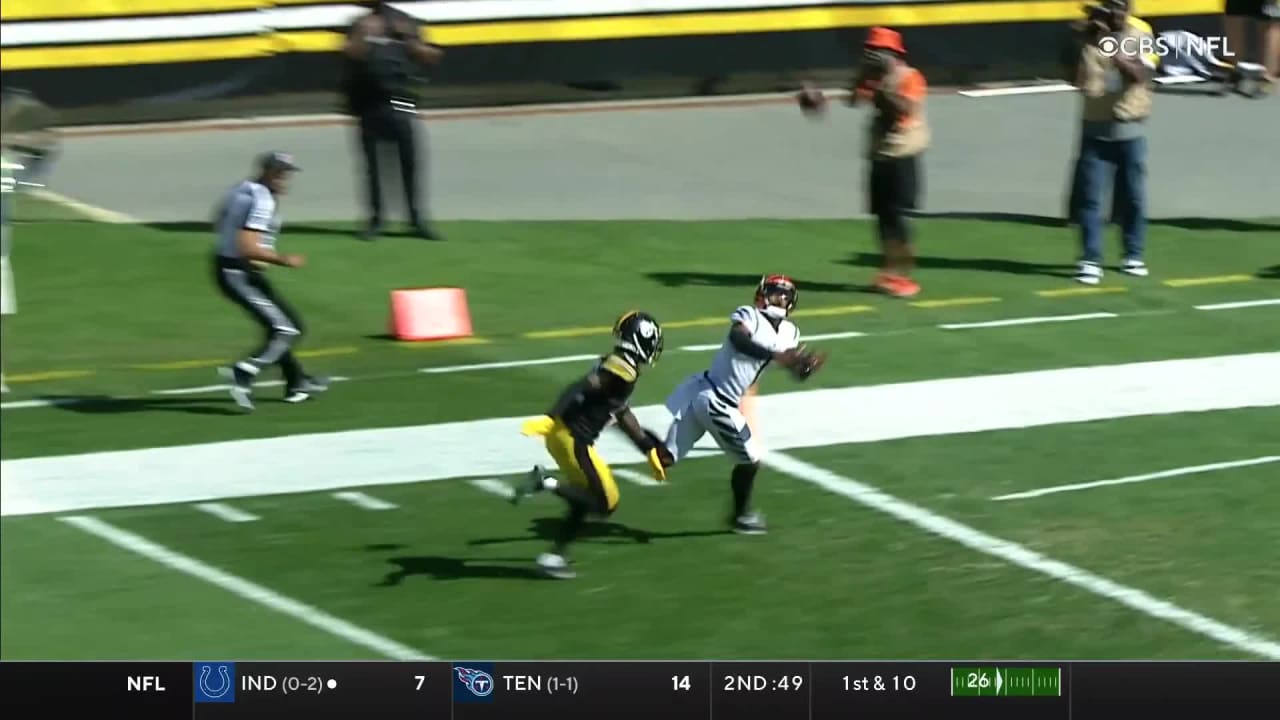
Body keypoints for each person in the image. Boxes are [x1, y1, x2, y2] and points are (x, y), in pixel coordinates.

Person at [512, 311, 672, 579]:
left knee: (583, 499)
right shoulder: (623, 368)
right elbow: (582, 387)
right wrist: (550, 418)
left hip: (566, 437)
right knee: (605, 502)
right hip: (573, 439)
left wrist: (647, 448)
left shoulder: (621, 365)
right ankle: (545, 483)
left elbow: (621, 414)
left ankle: (554, 557)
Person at [660, 276, 824, 536]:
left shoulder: (789, 332)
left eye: (785, 295)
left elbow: (791, 368)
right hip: (715, 398)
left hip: (710, 396)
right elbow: (739, 339)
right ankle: (741, 516)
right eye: (774, 293)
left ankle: (616, 422)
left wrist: (803, 367)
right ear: (761, 295)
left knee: (662, 458)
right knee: (751, 460)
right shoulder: (750, 315)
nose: (780, 298)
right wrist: (774, 355)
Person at [213, 152, 329, 411]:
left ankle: (297, 382)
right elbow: (248, 246)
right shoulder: (262, 200)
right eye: (279, 173)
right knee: (287, 330)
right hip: (238, 272)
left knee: (283, 326)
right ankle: (245, 370)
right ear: (266, 171)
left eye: (287, 173)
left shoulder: (241, 188)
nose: (284, 179)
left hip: (232, 268)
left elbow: (219, 220)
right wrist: (282, 259)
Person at [1068, 0, 1155, 286]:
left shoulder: (1141, 37)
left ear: (1129, 10)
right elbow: (1076, 79)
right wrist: (1081, 40)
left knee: (1133, 198)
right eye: (1111, 6)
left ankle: (1133, 254)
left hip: (1129, 131)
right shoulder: (1091, 38)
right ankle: (1090, 259)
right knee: (1091, 199)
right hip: (1094, 129)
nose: (1116, 13)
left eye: (1121, 7)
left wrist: (1108, 46)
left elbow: (1139, 75)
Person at [343, 1, 444, 241]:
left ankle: (416, 219)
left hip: (401, 99)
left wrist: (410, 39)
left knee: (410, 162)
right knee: (372, 167)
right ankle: (376, 220)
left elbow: (431, 57)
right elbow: (348, 55)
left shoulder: (407, 22)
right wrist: (363, 37)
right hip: (369, 102)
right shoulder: (359, 24)